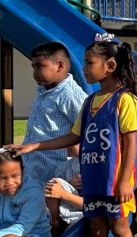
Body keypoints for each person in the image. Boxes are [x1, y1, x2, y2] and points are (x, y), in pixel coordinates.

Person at [14, 36, 137, 237]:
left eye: (89, 62)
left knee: (119, 228)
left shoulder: (125, 101)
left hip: (116, 180)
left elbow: (132, 141)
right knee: (96, 227)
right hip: (94, 176)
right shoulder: (90, 102)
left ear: (109, 66)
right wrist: (33, 146)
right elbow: (73, 137)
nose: (83, 67)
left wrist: (124, 180)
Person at [21, 42, 87, 186]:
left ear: (60, 66)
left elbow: (87, 131)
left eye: (40, 66)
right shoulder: (44, 90)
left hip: (54, 169)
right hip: (34, 166)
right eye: (33, 67)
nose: (35, 72)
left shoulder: (69, 94)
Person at [44, 147, 83, 237]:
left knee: (71, 231)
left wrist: (63, 193)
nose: (68, 145)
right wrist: (69, 185)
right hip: (64, 211)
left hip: (84, 214)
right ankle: (54, 222)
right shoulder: (64, 167)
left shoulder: (96, 168)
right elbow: (54, 191)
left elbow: (93, 205)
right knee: (53, 184)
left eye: (74, 141)